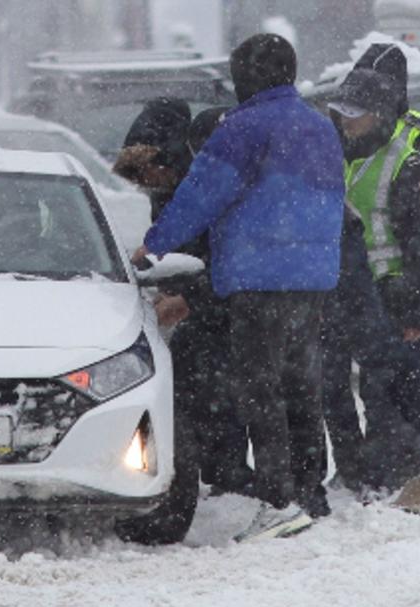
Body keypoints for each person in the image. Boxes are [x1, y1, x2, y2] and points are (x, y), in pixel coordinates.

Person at [135, 33, 345, 543]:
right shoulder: (320, 126)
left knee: (260, 390)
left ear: (243, 77)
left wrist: (154, 246)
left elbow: (201, 193)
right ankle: (309, 491)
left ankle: (276, 501)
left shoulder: (242, 128)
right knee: (301, 384)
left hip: (258, 277)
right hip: (313, 276)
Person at [323, 43, 420, 507]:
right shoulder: (341, 135)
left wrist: (413, 296)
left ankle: (398, 464)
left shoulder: (417, 145)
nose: (347, 116)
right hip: (345, 282)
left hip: (395, 281)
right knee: (333, 382)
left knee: (386, 383)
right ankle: (358, 468)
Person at [114, 101, 253, 498]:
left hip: (234, 298)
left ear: (170, 157)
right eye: (139, 177)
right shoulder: (168, 190)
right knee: (193, 375)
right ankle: (213, 467)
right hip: (208, 302)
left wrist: (189, 297)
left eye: (151, 170)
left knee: (221, 380)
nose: (147, 182)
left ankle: (231, 470)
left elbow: (225, 256)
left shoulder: (209, 187)